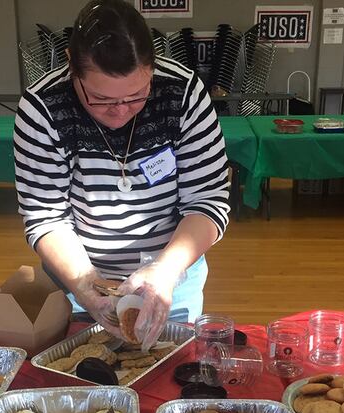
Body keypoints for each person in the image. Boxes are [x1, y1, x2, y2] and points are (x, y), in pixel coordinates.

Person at [13, 0, 229, 351]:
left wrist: (164, 273)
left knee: (168, 370)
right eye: (100, 98)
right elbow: (45, 217)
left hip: (171, 274)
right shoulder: (43, 108)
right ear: (71, 66)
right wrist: (86, 286)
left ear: (152, 69)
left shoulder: (183, 94)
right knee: (87, 374)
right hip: (78, 275)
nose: (120, 111)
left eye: (137, 95)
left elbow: (207, 202)